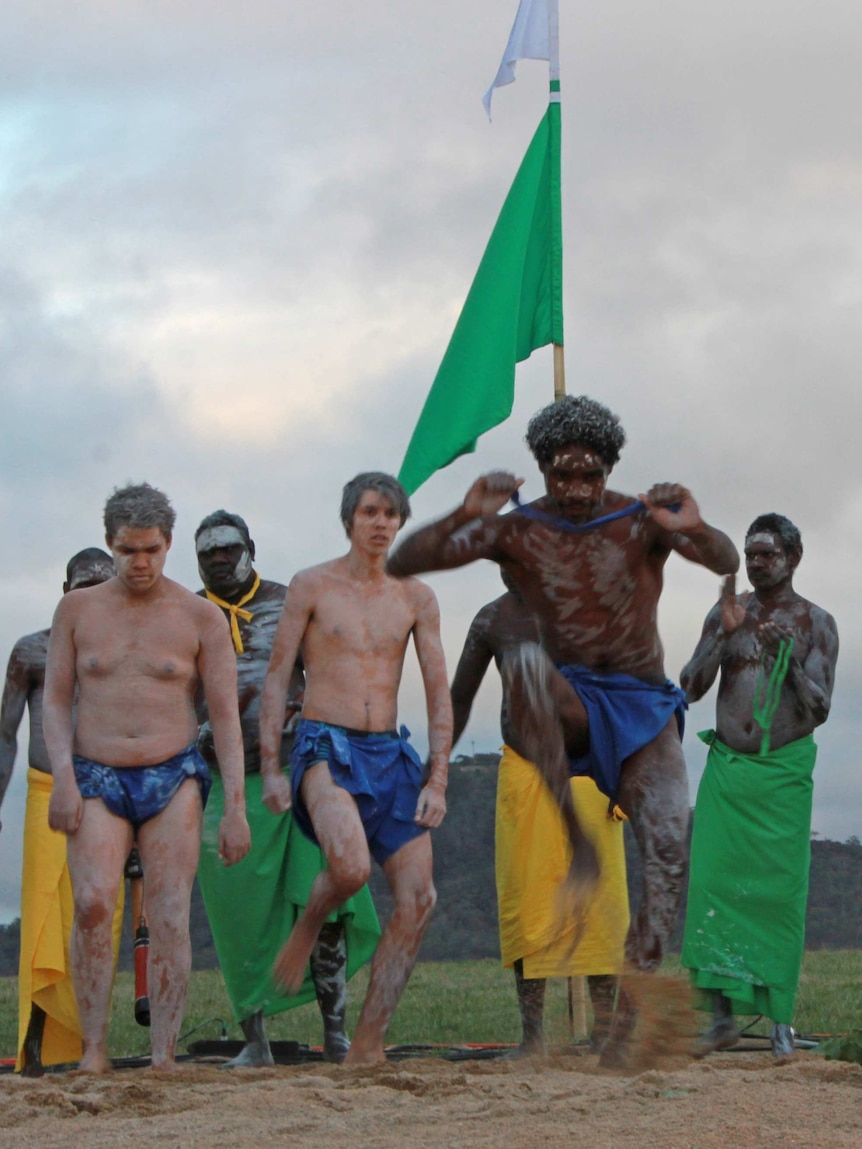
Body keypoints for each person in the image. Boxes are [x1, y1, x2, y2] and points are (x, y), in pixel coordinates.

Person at [387, 395, 739, 1065]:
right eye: (562, 474)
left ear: (609, 468)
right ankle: (575, 839)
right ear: (543, 469)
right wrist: (466, 512)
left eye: (590, 475)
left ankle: (630, 1021)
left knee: (668, 846)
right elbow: (406, 558)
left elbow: (722, 556)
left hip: (639, 703)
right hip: (565, 702)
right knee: (520, 657)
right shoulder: (516, 530)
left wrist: (695, 525)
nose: (577, 490)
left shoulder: (641, 520)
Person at [43, 483, 251, 1073]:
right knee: (91, 903)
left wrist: (234, 806)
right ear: (111, 545)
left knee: (167, 911)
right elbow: (57, 701)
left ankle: (163, 1054)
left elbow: (226, 717)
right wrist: (62, 775)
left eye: (152, 551)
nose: (140, 563)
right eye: (128, 551)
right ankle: (94, 1050)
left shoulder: (199, 617)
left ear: (168, 545)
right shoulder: (77, 611)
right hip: (94, 770)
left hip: (173, 772)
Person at [259, 472, 451, 1066]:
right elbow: (277, 676)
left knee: (419, 899)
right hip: (326, 747)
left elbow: (438, 690)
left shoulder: (416, 596)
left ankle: (368, 1043)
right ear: (350, 519)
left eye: (391, 514)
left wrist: (438, 777)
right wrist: (270, 766)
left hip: (390, 754)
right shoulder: (312, 584)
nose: (380, 523)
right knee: (347, 866)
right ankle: (312, 918)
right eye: (369, 511)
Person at [194, 510, 380, 1066]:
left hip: (295, 775)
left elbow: (331, 671)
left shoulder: (290, 602)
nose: (220, 559)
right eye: (208, 554)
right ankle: (256, 1042)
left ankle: (336, 1034)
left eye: (229, 548)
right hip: (225, 786)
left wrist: (311, 717)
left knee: (319, 903)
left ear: (251, 545)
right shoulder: (186, 614)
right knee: (237, 920)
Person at [450, 571, 629, 1055]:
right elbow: (458, 699)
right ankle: (533, 1039)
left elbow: (628, 690)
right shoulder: (492, 618)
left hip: (590, 768)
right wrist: (434, 774)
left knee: (600, 906)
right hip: (526, 770)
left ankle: (607, 1034)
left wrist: (626, 769)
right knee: (528, 902)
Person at [680, 514, 838, 1062]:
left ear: (793, 557)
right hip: (728, 769)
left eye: (768, 553)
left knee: (778, 899)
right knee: (713, 888)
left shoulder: (817, 622)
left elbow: (819, 708)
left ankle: (780, 1023)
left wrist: (790, 662)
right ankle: (721, 1020)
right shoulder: (729, 614)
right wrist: (721, 637)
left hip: (782, 775)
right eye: (751, 553)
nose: (757, 562)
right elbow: (691, 686)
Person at [0, 549, 125, 1075]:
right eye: (82, 587)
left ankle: (85, 1048)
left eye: (102, 587)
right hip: (46, 791)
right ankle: (31, 1048)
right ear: (64, 588)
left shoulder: (128, 650)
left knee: (99, 914)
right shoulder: (32, 650)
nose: (90, 597)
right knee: (45, 920)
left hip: (109, 793)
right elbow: (5, 732)